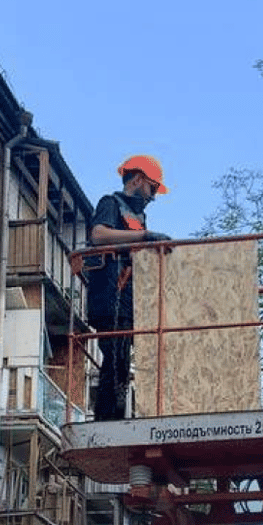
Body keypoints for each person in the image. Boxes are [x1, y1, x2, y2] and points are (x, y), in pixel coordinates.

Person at [82, 154, 172, 421]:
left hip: (128, 298)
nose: (153, 197)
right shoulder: (110, 203)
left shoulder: (138, 217)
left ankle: (116, 416)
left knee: (122, 359)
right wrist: (144, 236)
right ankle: (107, 420)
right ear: (138, 179)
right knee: (115, 358)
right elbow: (98, 235)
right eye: (153, 188)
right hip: (109, 293)